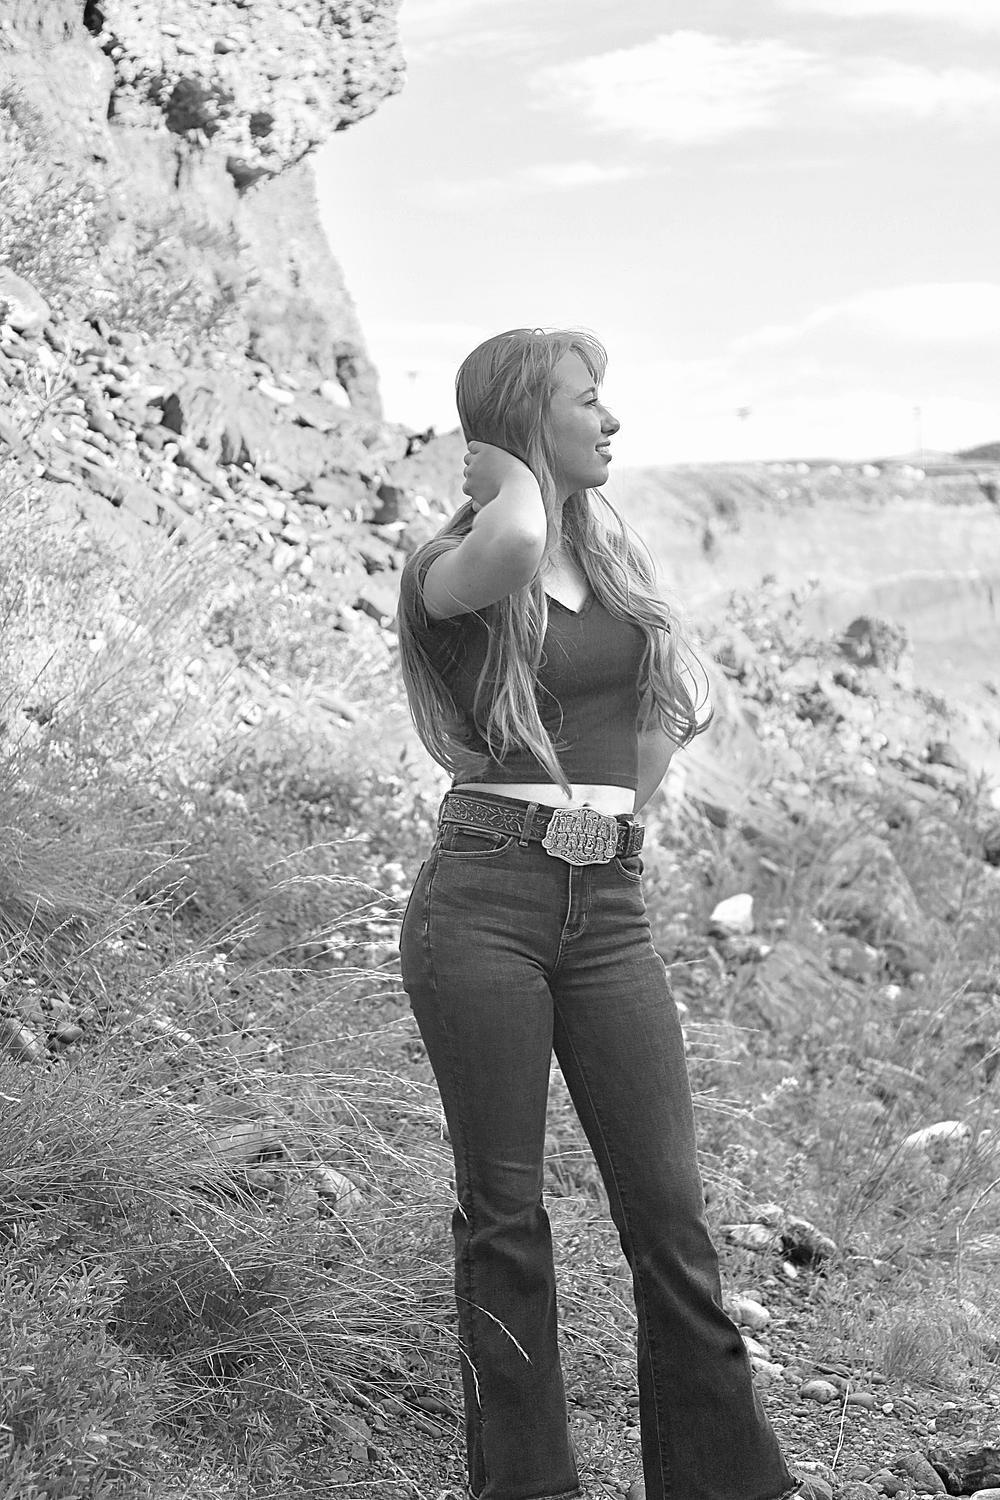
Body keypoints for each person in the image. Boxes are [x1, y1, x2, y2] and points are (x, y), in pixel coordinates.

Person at [396, 328, 795, 1500]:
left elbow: (658, 729)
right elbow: (518, 534)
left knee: (669, 1215)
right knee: (505, 1217)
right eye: (586, 400)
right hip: (483, 903)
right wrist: (505, 471)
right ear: (527, 421)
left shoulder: (610, 566)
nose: (611, 419)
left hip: (607, 905)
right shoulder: (455, 563)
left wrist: (611, 813)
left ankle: (724, 1485)